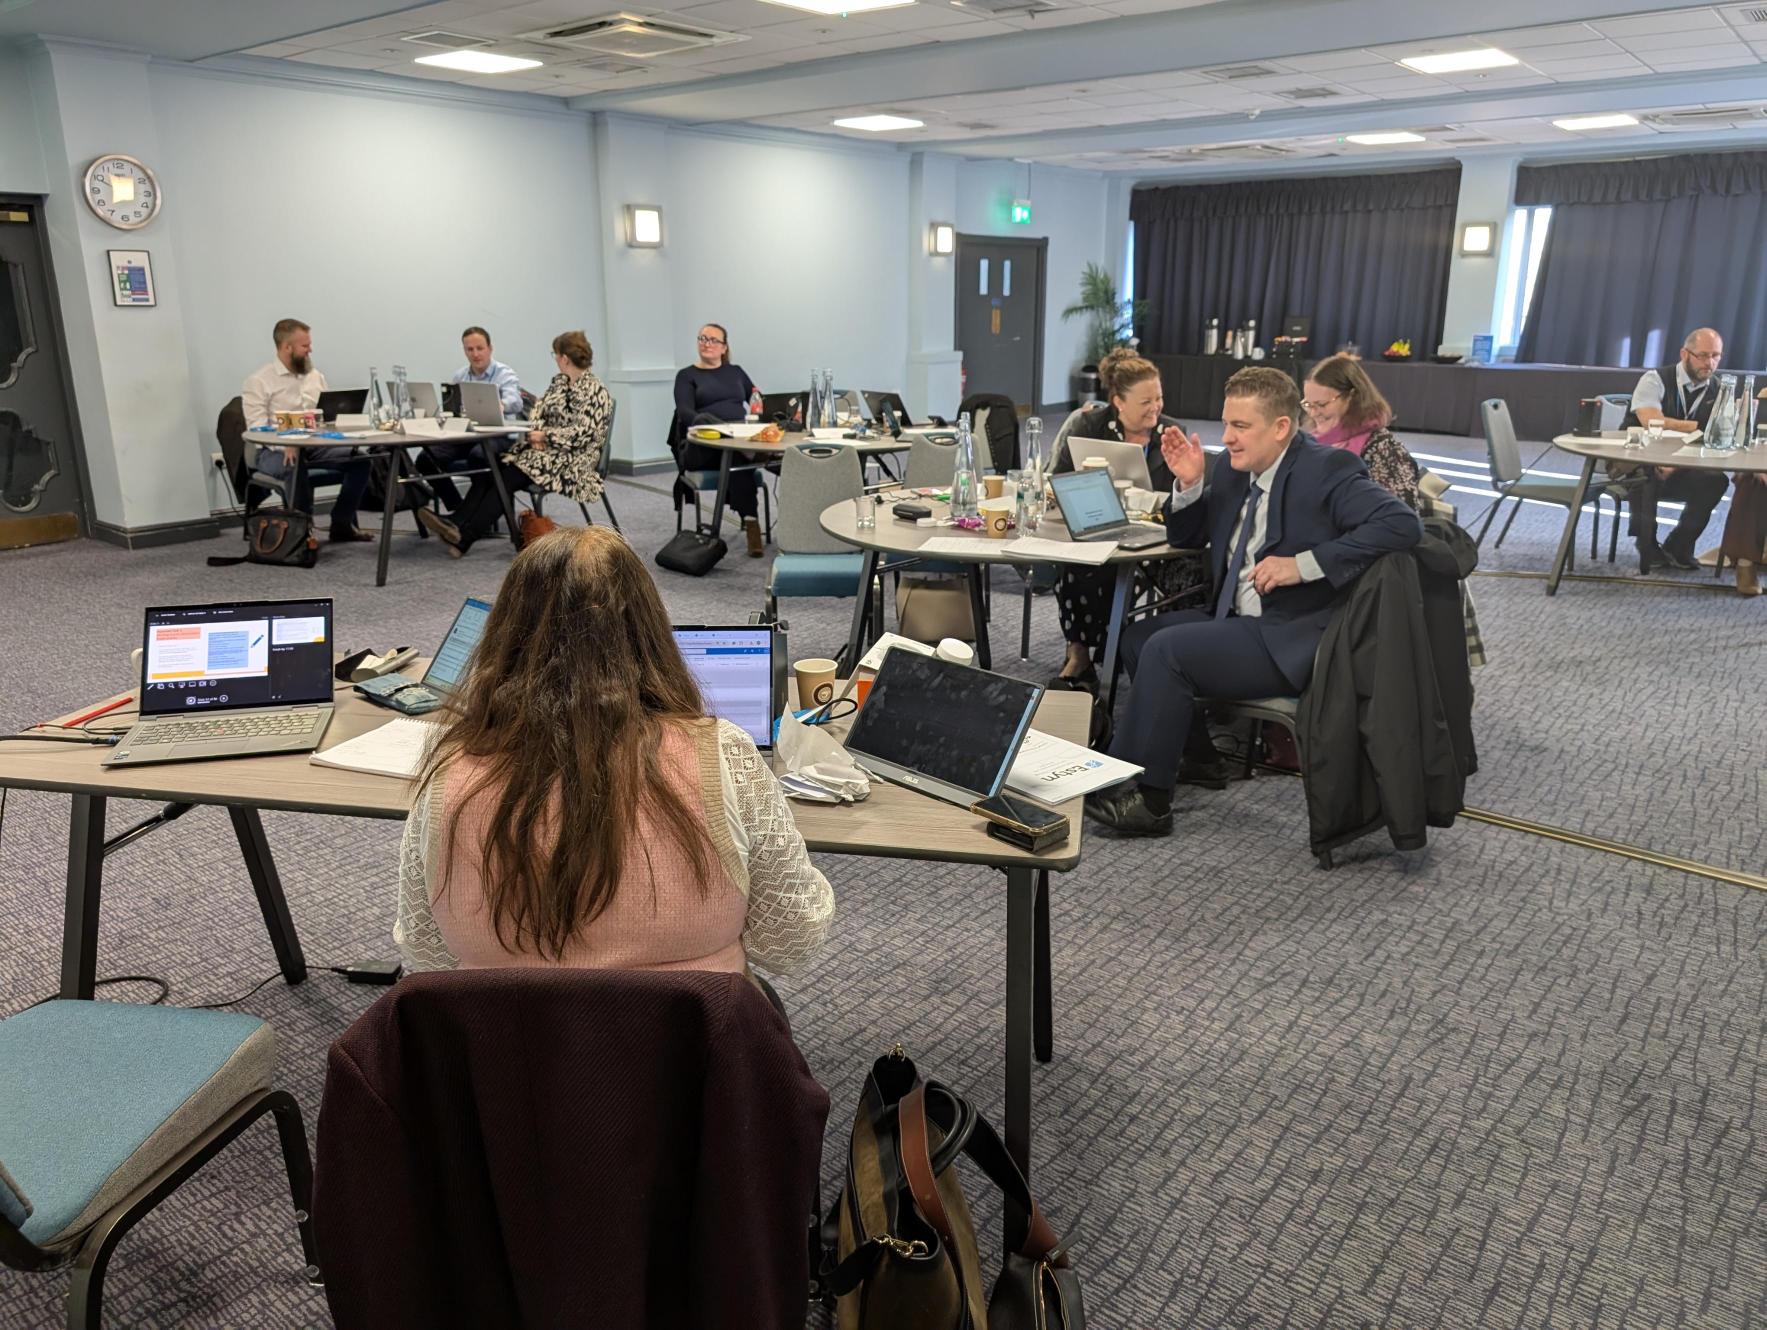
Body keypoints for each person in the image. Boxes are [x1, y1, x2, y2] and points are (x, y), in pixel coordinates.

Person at [394, 525, 834, 977]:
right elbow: (790, 940)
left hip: (506, 1022)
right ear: (648, 629)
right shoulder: (724, 754)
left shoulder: (448, 769)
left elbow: (427, 954)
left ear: (505, 632)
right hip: (690, 1022)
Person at [1085, 367, 1423, 838]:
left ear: (1281, 427)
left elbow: (1403, 525)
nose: (1227, 437)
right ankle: (1198, 758)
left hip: (1291, 632)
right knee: (1138, 638)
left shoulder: (1327, 470)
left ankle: (1150, 799)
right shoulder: (1231, 467)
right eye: (1226, 424)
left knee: (1167, 650)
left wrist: (1304, 564)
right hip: (1236, 617)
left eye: (1240, 426)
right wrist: (1189, 486)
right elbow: (1188, 537)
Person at [418, 331, 611, 557]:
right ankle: (458, 524)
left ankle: (463, 535)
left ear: (565, 358)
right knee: (496, 470)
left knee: (505, 477)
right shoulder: (561, 384)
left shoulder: (594, 391)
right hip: (548, 453)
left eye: (556, 355)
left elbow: (584, 435)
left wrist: (545, 436)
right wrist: (537, 433)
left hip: (574, 460)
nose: (556, 360)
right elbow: (539, 414)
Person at [239, 318, 373, 542]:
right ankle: (301, 535)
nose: (310, 349)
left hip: (314, 446)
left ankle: (341, 523)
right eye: (305, 345)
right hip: (271, 452)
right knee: (294, 463)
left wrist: (340, 428)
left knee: (361, 461)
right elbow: (257, 429)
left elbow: (324, 418)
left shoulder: (315, 376)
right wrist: (285, 444)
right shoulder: (259, 381)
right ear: (287, 347)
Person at [1620, 328, 1731, 572]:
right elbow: (1651, 421)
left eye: (1715, 356)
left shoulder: (1719, 389)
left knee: (1716, 480)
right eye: (1703, 355)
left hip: (1683, 466)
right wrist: (1695, 426)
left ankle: (1679, 544)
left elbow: (1717, 438)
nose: (1710, 363)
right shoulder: (1655, 379)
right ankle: (1647, 544)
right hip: (1635, 461)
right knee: (1646, 475)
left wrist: (1676, 463)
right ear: (1684, 354)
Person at [674, 323, 764, 557]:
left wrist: (764, 411)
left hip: (736, 443)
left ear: (724, 347)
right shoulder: (686, 376)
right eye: (703, 338)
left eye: (713, 340)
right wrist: (721, 430)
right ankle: (752, 522)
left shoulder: (736, 372)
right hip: (702, 445)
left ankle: (752, 520)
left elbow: (757, 400)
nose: (707, 343)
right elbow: (686, 413)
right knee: (709, 423)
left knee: (736, 453)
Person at [422, 326, 525, 512]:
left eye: (480, 348)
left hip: (499, 436)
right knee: (425, 458)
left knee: (479, 456)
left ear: (490, 349)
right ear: (464, 351)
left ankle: (476, 513)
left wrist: (501, 405)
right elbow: (454, 407)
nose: (475, 354)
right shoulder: (460, 376)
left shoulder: (504, 373)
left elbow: (516, 402)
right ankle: (457, 506)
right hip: (468, 435)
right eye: (470, 349)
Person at [1301, 355, 1422, 511]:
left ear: (1351, 397)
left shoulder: (1384, 451)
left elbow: (1403, 518)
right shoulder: (1310, 442)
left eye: (1322, 404)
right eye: (1308, 404)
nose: (1313, 413)